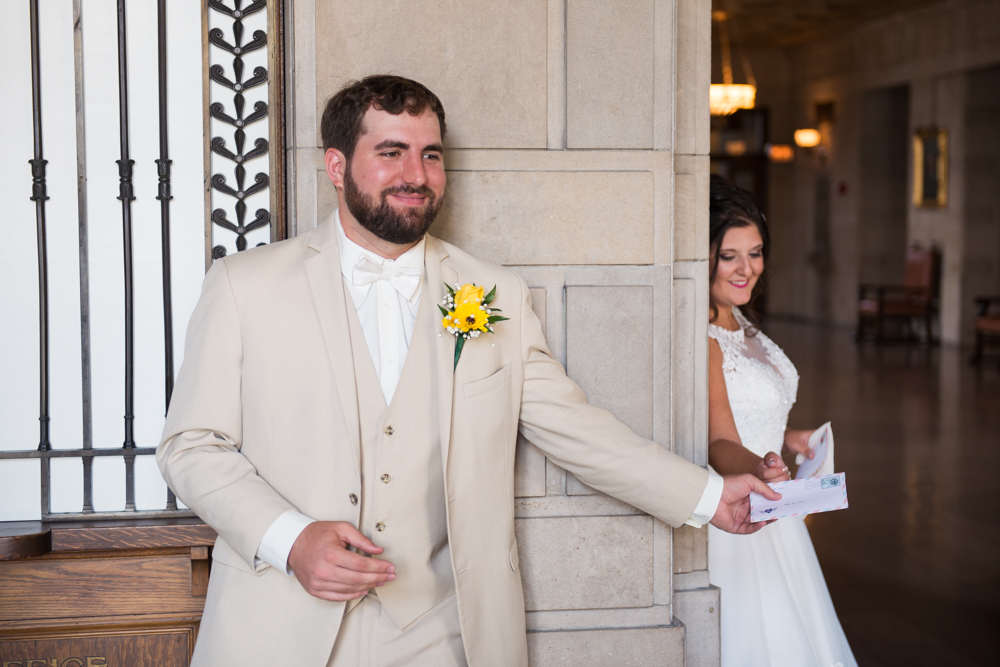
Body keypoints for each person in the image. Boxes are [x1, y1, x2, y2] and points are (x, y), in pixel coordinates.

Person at [157, 75, 778, 667]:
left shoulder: (492, 293)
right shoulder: (245, 286)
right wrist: (289, 538)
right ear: (337, 166)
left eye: (431, 155)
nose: (416, 175)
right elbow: (190, 447)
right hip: (280, 625)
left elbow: (575, 428)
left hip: (446, 633)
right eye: (392, 152)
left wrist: (709, 497)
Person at [705, 175, 858, 667]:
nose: (746, 269)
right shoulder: (704, 337)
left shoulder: (740, 320)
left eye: (756, 252)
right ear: (702, 255)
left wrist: (789, 438)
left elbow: (749, 411)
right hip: (743, 509)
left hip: (778, 514)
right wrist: (763, 463)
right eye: (729, 256)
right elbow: (719, 438)